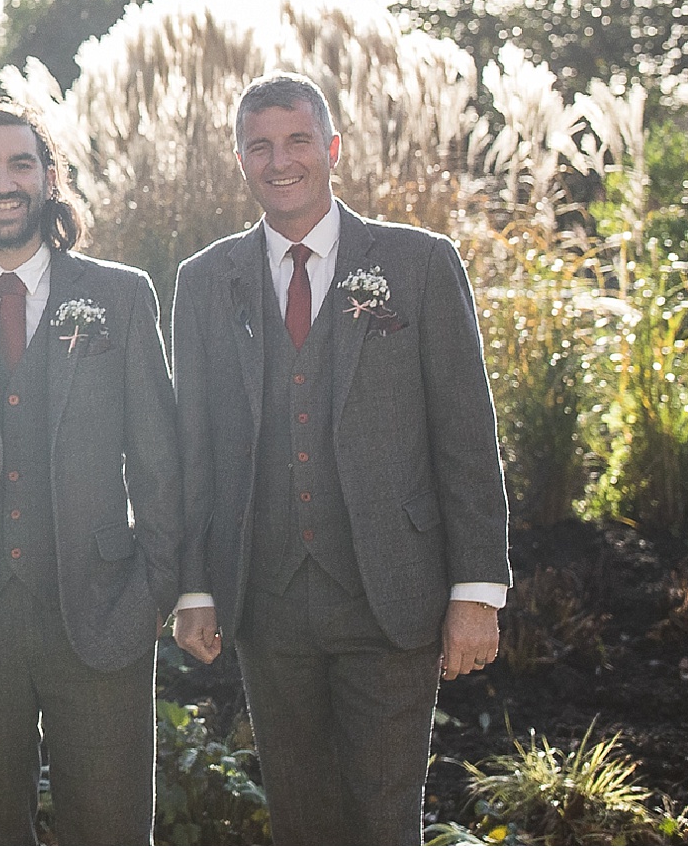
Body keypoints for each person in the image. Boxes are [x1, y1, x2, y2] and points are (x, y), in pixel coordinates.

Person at [172, 71, 510, 844]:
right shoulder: (203, 280)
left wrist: (477, 590)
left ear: (331, 148)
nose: (279, 160)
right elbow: (195, 446)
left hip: (392, 588)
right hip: (267, 596)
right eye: (260, 146)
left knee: (383, 816)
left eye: (297, 141)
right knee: (298, 817)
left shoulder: (418, 264)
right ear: (240, 159)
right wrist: (194, 586)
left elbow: (466, 436)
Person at [0, 102, 179, 844]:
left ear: (48, 178)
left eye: (21, 164)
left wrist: (154, 593)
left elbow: (159, 460)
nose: (5, 183)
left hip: (103, 612)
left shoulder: (120, 295)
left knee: (114, 831)